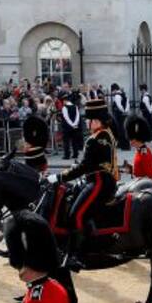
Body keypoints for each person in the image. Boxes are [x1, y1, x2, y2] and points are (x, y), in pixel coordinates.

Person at [50, 94, 117, 270]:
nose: (87, 123)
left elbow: (85, 166)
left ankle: (78, 255)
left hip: (99, 182)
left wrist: (60, 176)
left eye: (89, 120)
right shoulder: (106, 134)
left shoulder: (95, 139)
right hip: (101, 180)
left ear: (96, 121)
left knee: (76, 214)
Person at [125, 114, 152, 181]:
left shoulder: (144, 154)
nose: (130, 140)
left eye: (131, 138)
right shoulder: (140, 151)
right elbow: (140, 170)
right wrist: (131, 169)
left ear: (135, 139)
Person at [60, 93, 82, 161]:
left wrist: (71, 124)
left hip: (67, 127)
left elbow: (66, 118)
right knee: (74, 141)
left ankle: (67, 155)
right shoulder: (75, 106)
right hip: (75, 126)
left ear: (64, 101)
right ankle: (75, 154)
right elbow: (78, 116)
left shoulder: (64, 107)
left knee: (66, 141)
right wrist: (75, 124)